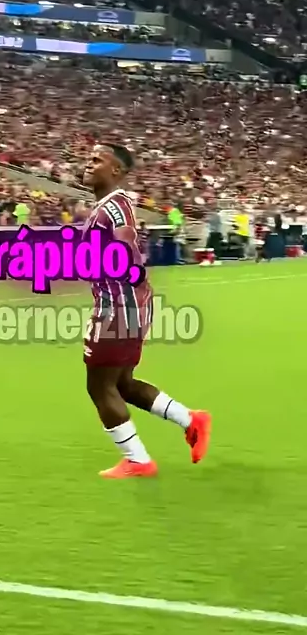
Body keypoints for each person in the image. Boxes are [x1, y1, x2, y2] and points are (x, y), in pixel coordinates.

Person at [82, 143, 211, 479]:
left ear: (116, 171)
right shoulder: (112, 205)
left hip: (118, 308)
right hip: (130, 304)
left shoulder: (114, 207)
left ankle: (137, 460)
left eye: (97, 160)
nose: (88, 164)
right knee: (122, 383)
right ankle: (191, 420)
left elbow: (124, 247)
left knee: (100, 386)